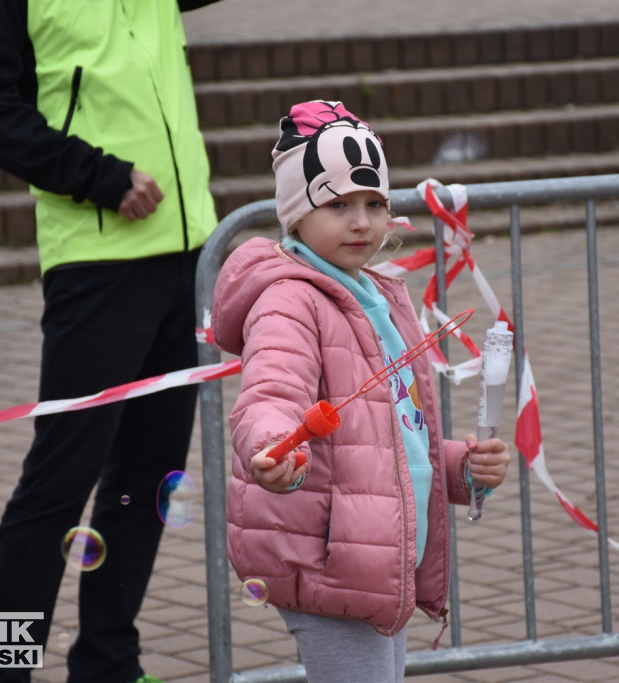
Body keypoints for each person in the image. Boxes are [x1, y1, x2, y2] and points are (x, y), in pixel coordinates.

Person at [0, 1, 222, 681]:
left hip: (189, 254)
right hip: (97, 264)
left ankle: (108, 665)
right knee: (56, 485)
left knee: (149, 477)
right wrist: (97, 175)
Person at [211, 100, 511, 682]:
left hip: (376, 555)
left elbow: (392, 436)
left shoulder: (379, 295)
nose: (361, 222)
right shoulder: (290, 299)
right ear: (295, 216)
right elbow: (270, 391)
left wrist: (461, 468)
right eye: (338, 204)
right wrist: (274, 445)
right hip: (331, 560)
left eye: (374, 203)